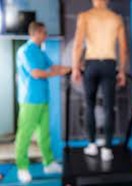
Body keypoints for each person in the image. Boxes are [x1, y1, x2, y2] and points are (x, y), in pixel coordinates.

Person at [72, 0, 127, 161]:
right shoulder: (116, 18)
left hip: (92, 64)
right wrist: (122, 71)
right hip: (109, 65)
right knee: (109, 107)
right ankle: (107, 149)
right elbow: (123, 48)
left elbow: (77, 44)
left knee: (89, 106)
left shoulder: (85, 16)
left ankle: (92, 145)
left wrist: (75, 67)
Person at [15, 22, 70, 183]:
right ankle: (22, 167)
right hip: (30, 100)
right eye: (44, 33)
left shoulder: (41, 51)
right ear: (37, 33)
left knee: (44, 134)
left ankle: (48, 163)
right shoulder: (25, 51)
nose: (46, 36)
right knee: (24, 135)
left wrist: (72, 68)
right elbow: (37, 73)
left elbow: (53, 67)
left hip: (43, 99)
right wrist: (55, 73)